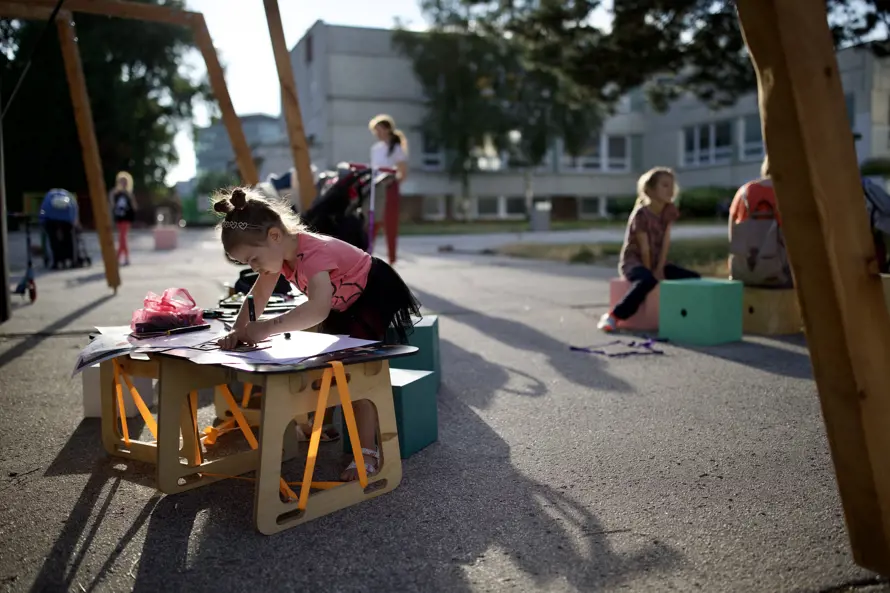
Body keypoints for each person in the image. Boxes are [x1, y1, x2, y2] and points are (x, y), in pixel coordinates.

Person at [212, 187, 422, 481]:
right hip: (339, 303)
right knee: (324, 366)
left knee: (360, 374)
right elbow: (256, 296)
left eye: (253, 259)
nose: (254, 267)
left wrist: (268, 328)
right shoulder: (277, 256)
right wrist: (239, 330)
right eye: (248, 263)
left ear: (274, 235)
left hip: (371, 294)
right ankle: (323, 427)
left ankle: (367, 452)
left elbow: (318, 310)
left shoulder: (312, 253)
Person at [598, 167, 700, 332]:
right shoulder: (641, 215)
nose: (671, 189)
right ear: (650, 190)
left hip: (657, 262)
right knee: (647, 281)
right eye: (665, 185)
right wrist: (651, 271)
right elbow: (644, 249)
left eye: (672, 185)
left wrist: (660, 268)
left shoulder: (669, 211)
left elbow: (666, 242)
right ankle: (614, 316)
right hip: (635, 263)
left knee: (693, 278)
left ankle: (684, 317)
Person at [727, 155, 793, 288]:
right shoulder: (788, 194)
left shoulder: (743, 192)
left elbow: (732, 233)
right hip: (780, 276)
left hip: (742, 274)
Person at [368, 114, 408, 265]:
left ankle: (392, 258)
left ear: (386, 129)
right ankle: (367, 255)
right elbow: (374, 169)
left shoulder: (397, 148)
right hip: (376, 186)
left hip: (390, 187)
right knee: (373, 221)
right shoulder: (375, 149)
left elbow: (403, 171)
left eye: (378, 130)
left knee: (390, 222)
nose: (377, 134)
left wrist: (393, 182)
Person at [38, 188, 79, 269]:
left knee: (54, 239)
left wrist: (42, 221)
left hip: (52, 219)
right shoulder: (70, 201)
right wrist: (75, 221)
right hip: (66, 219)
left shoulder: (48, 200)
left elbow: (42, 211)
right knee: (69, 238)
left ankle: (57, 261)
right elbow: (75, 209)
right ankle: (71, 259)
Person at [110, 171, 137, 266]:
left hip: (126, 218)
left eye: (125, 182)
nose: (123, 183)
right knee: (122, 239)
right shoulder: (115, 193)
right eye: (122, 181)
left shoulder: (129, 194)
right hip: (119, 218)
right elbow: (113, 206)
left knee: (122, 238)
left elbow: (134, 207)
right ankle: (126, 258)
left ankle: (118, 258)